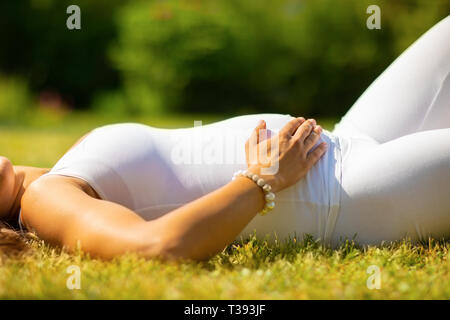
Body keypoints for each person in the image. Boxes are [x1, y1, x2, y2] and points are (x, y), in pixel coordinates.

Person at [0, 15, 449, 261]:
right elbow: (154, 249)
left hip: (348, 137)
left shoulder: (57, 172)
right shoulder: (42, 199)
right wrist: (260, 180)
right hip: (349, 193)